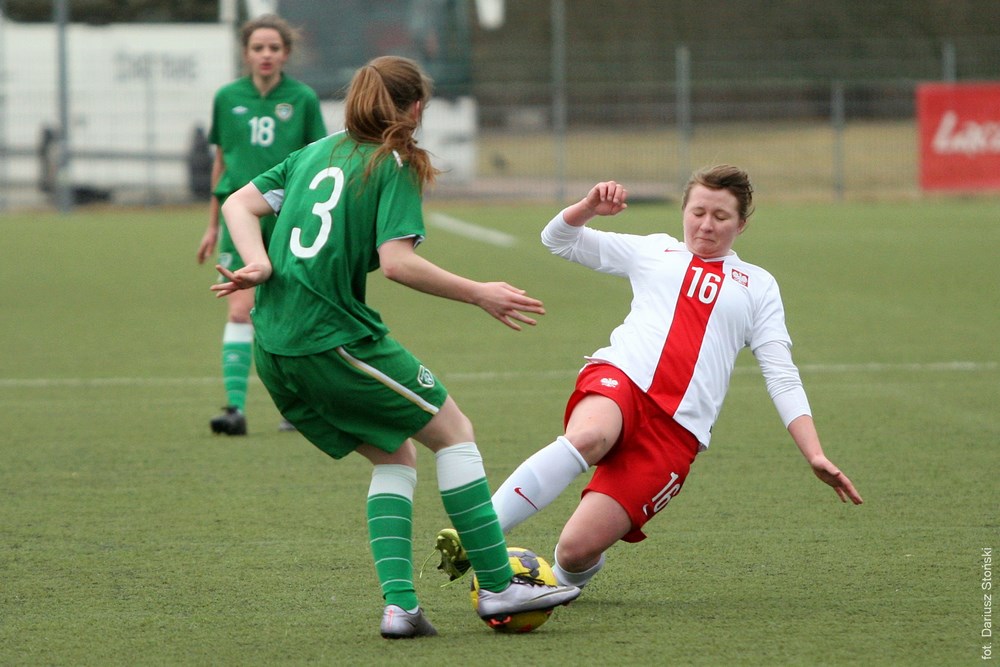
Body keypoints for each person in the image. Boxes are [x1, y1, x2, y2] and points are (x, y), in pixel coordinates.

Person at [210, 55, 581, 639]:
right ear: (413, 109)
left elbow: (237, 202)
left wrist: (257, 260)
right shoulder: (395, 161)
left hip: (275, 346)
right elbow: (399, 263)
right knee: (453, 431)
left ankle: (401, 608)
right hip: (330, 337)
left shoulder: (314, 153)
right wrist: (480, 292)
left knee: (395, 456)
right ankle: (497, 583)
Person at [435, 166, 863, 591]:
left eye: (721, 216)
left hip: (677, 432)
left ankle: (560, 586)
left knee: (574, 551)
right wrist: (588, 208)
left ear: (742, 225)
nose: (706, 225)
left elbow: (781, 375)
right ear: (683, 211)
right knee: (590, 437)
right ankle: (479, 533)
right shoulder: (655, 251)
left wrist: (814, 453)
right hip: (622, 381)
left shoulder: (759, 286)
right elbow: (557, 240)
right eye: (698, 212)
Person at [197, 14, 328, 436]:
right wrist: (212, 225)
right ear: (246, 53)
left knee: (289, 310)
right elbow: (222, 162)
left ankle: (295, 405)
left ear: (286, 53)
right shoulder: (227, 97)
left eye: (274, 48)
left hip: (289, 217)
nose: (266, 55)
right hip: (241, 217)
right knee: (240, 309)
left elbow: (316, 162)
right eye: (258, 48)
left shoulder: (303, 98)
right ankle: (234, 409)